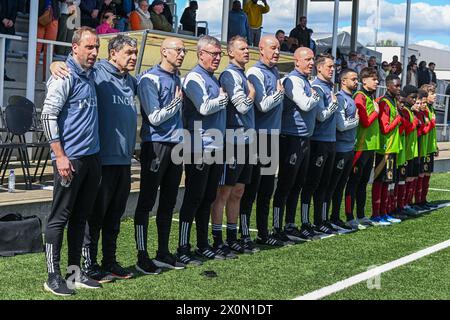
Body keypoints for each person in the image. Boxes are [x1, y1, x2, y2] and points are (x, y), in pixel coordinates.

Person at [49, 34, 141, 283]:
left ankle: (109, 262)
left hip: (123, 160)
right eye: (128, 53)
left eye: (135, 53)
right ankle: (88, 266)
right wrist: (55, 63)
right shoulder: (97, 71)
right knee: (93, 217)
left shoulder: (131, 82)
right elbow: (73, 63)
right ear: (112, 54)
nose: (133, 57)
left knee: (114, 217)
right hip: (99, 157)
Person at [41, 27, 102, 296]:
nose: (94, 52)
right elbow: (47, 115)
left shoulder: (91, 74)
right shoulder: (64, 75)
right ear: (75, 47)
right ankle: (53, 277)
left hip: (91, 159)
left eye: (97, 47)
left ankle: (74, 273)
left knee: (81, 218)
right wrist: (60, 156)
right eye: (89, 47)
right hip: (70, 160)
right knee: (59, 218)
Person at [134, 38, 187, 272]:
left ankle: (163, 252)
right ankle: (142, 254)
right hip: (156, 146)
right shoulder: (149, 79)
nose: (182, 54)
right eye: (178, 50)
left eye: (184, 50)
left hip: (176, 145)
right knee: (146, 201)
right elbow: (154, 117)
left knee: (169, 200)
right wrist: (176, 103)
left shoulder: (177, 77)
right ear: (164, 52)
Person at [176, 35, 228, 264]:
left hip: (215, 146)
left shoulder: (211, 78)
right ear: (201, 54)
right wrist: (223, 99)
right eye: (213, 53)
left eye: (219, 54)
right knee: (193, 198)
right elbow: (204, 108)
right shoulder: (194, 77)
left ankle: (202, 244)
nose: (217, 57)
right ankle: (183, 247)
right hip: (198, 147)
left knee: (208, 197)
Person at [210, 36, 256, 257]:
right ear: (230, 53)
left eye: (247, 48)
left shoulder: (242, 74)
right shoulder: (229, 75)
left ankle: (231, 237)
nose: (247, 51)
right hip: (232, 142)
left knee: (238, 191)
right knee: (224, 192)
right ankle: (218, 240)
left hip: (246, 141)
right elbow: (242, 106)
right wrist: (253, 94)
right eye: (242, 48)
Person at [239, 35, 285, 247]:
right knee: (251, 189)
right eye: (273, 48)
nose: (276, 52)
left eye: (278, 48)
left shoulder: (274, 71)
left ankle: (264, 233)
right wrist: (279, 94)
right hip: (258, 138)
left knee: (267, 188)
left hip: (272, 138)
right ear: (261, 49)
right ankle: (244, 233)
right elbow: (263, 105)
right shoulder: (255, 72)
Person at [272, 47, 320, 242]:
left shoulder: (305, 81)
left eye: (313, 59)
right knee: (285, 184)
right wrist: (316, 95)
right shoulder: (291, 80)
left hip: (304, 138)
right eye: (307, 59)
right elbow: (306, 104)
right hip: (290, 138)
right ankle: (277, 227)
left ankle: (290, 224)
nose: (311, 63)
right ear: (296, 61)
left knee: (297, 184)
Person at [300, 53, 340, 235]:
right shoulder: (316, 87)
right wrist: (333, 105)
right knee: (312, 184)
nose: (332, 70)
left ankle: (321, 220)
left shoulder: (328, 87)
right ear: (319, 67)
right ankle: (306, 222)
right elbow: (321, 116)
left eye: (334, 67)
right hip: (318, 141)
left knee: (325, 184)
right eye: (329, 66)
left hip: (330, 141)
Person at [344, 67, 380, 229]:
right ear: (364, 81)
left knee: (364, 182)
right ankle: (350, 216)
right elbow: (364, 121)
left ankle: (361, 214)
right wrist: (376, 112)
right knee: (354, 182)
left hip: (370, 146)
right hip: (360, 146)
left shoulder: (370, 97)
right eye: (374, 78)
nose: (377, 81)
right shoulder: (359, 97)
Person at [325, 69, 359, 232]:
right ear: (343, 81)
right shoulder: (340, 98)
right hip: (340, 148)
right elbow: (341, 125)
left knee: (340, 185)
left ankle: (335, 216)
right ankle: (327, 218)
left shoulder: (350, 99)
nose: (356, 82)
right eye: (353, 79)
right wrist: (356, 120)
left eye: (357, 79)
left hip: (349, 148)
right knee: (333, 185)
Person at [370, 74, 402, 225]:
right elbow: (385, 128)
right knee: (380, 181)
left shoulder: (393, 101)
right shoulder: (384, 102)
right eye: (396, 85)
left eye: (399, 85)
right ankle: (376, 214)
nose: (398, 88)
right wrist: (398, 119)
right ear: (388, 86)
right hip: (385, 149)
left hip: (393, 148)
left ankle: (384, 212)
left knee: (388, 182)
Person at [420, 84, 438, 209]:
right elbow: (423, 128)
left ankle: (423, 199)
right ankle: (418, 200)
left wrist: (435, 145)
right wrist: (431, 122)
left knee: (427, 174)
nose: (435, 95)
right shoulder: (424, 109)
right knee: (420, 175)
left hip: (430, 147)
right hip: (423, 148)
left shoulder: (431, 109)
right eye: (432, 93)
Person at [37, 0, 61, 82]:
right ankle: (32, 77)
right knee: (36, 49)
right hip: (39, 15)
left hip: (53, 17)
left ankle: (46, 79)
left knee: (49, 50)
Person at [0, 0, 18, 81]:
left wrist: (12, 21)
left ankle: (2, 74)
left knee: (3, 53)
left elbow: (15, 10)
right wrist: (2, 19)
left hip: (8, 29)